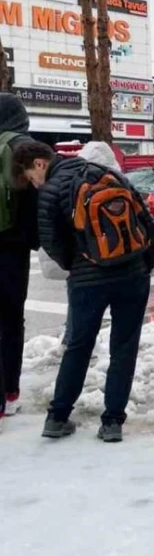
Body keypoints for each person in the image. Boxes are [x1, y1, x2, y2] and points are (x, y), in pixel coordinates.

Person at [15, 140, 154, 443]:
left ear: (40, 164)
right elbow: (144, 218)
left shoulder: (52, 191)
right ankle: (112, 423)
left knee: (79, 346)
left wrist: (78, 265)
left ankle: (58, 417)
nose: (33, 183)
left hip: (87, 282)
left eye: (30, 176)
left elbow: (52, 243)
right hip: (132, 274)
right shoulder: (108, 174)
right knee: (124, 347)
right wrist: (145, 261)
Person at [0, 94, 40, 427]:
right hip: (12, 248)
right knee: (11, 320)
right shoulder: (25, 148)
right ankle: (9, 394)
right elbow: (40, 197)